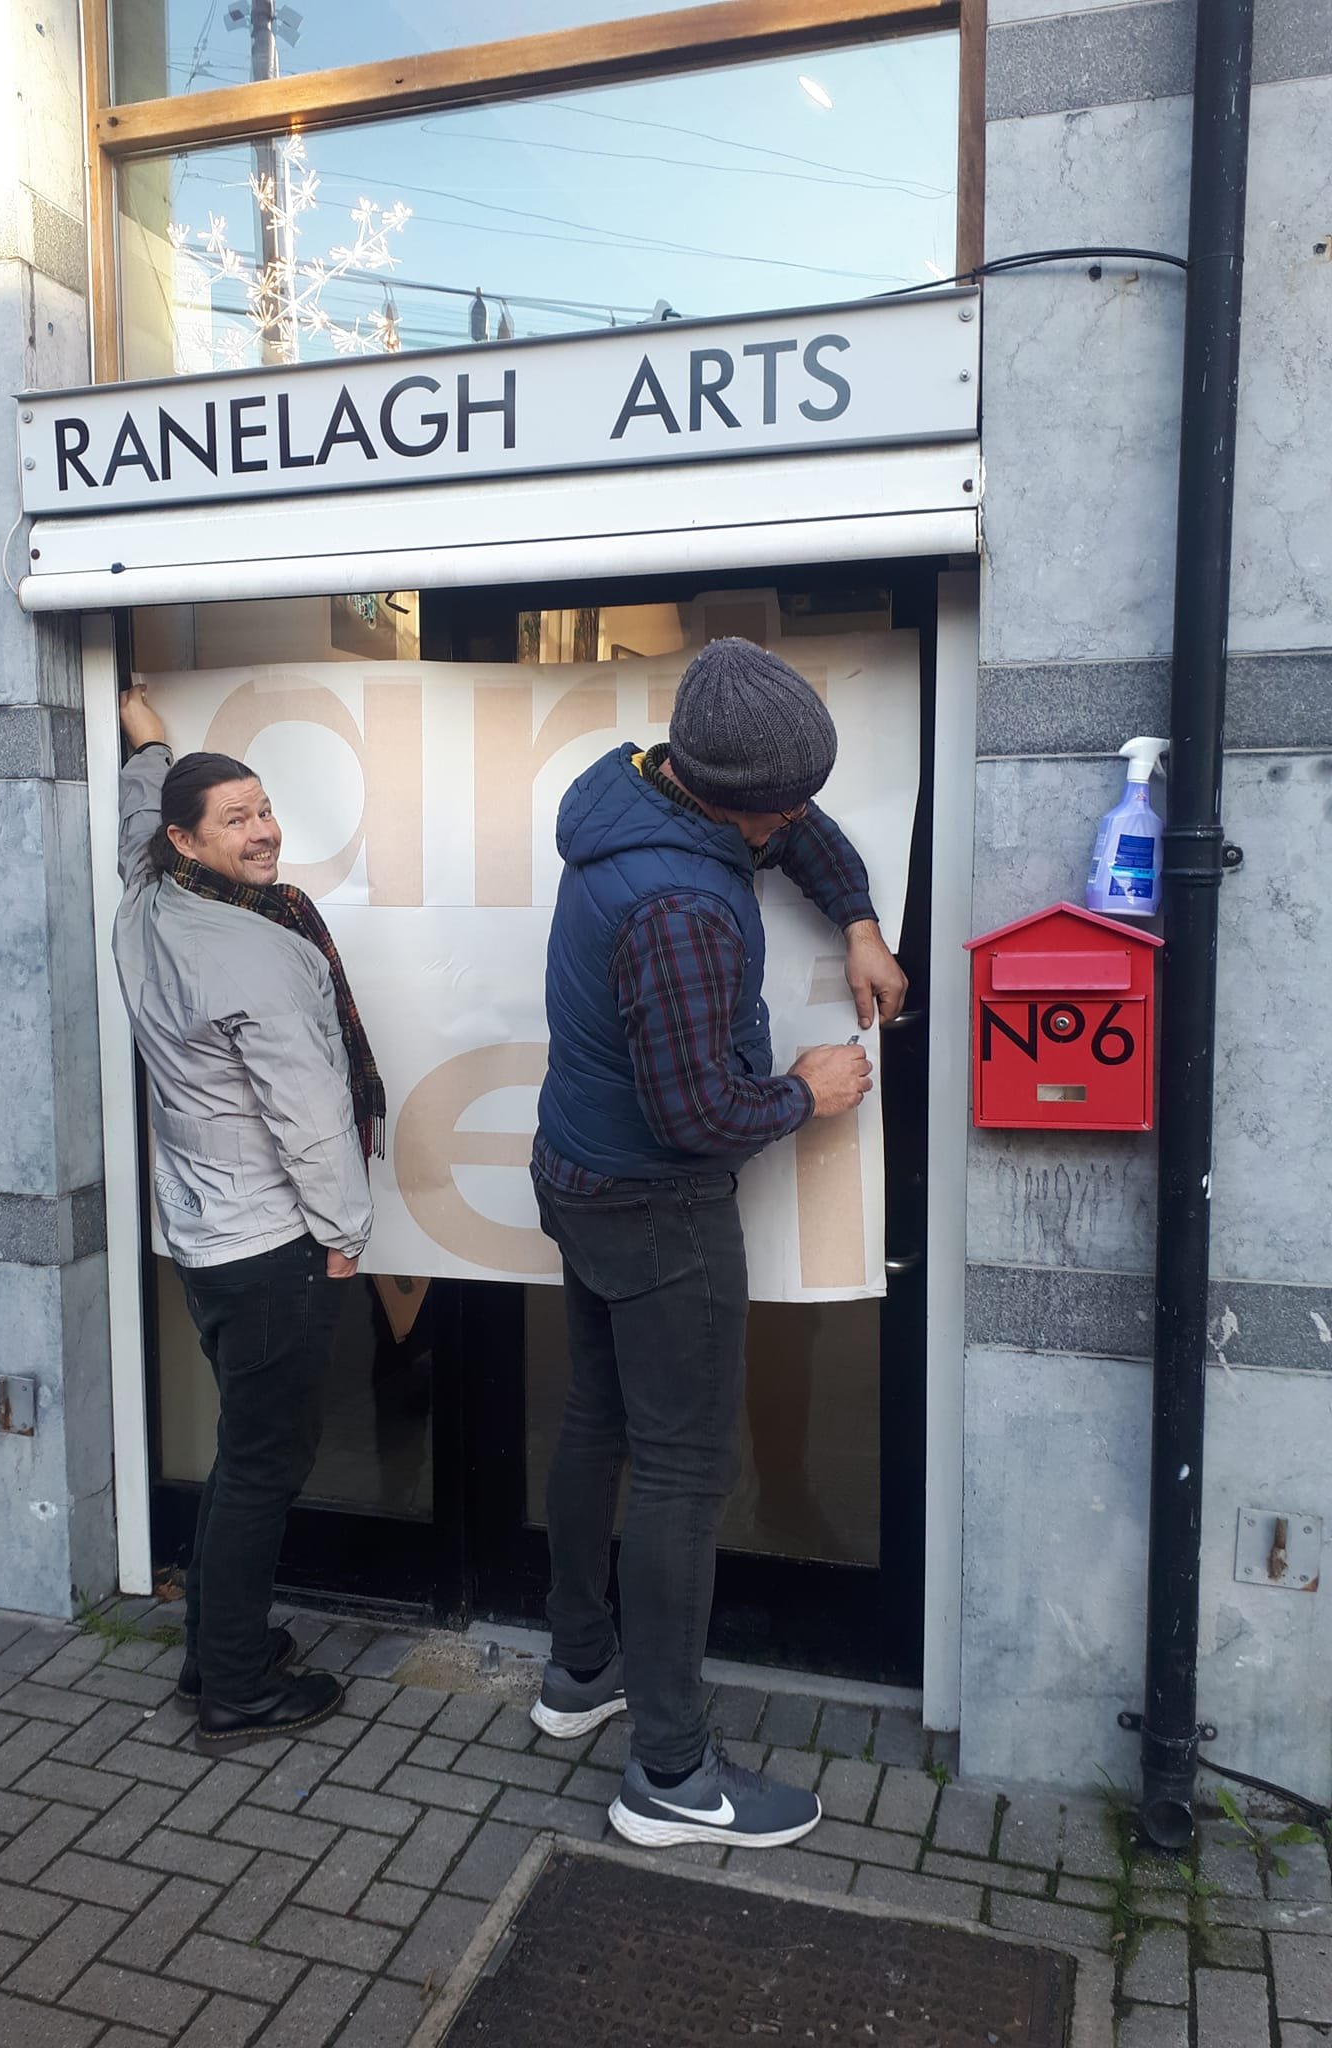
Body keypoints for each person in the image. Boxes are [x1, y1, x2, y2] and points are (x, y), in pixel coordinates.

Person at [529, 636, 908, 1849]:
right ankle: (672, 1776)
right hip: (657, 1206)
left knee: (598, 1421)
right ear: (733, 795)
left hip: (579, 1179)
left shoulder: (642, 787)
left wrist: (855, 914)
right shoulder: (683, 904)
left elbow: (793, 830)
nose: (796, 820)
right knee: (687, 1475)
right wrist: (809, 1087)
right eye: (785, 804)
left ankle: (581, 1672)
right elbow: (701, 1113)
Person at [113, 686, 384, 1753]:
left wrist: (152, 748)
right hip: (272, 1242)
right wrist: (346, 1236)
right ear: (193, 841)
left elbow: (137, 821)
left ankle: (214, 1645)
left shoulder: (150, 895)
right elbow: (313, 1119)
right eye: (236, 817)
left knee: (241, 1449)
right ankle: (232, 1686)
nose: (263, 828)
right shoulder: (255, 953)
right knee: (265, 1461)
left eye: (264, 807)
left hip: (206, 1234)